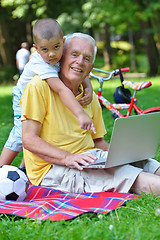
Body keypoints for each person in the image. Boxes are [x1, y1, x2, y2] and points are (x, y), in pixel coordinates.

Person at [21, 32, 160, 195]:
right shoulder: (39, 87)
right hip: (53, 169)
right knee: (128, 176)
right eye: (74, 55)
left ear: (91, 68)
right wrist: (67, 158)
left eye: (86, 58)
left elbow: (97, 141)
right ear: (61, 57)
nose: (80, 62)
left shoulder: (89, 96)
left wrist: (124, 154)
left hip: (89, 157)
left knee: (147, 164)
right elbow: (29, 139)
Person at [0, 19, 94, 168]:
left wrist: (88, 87)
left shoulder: (60, 53)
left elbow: (82, 73)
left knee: (42, 130)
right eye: (45, 50)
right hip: (22, 96)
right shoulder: (41, 63)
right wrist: (81, 114)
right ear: (36, 49)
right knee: (21, 133)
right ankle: (1, 167)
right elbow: (60, 89)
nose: (51, 54)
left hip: (42, 96)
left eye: (56, 47)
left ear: (63, 42)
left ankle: (25, 168)